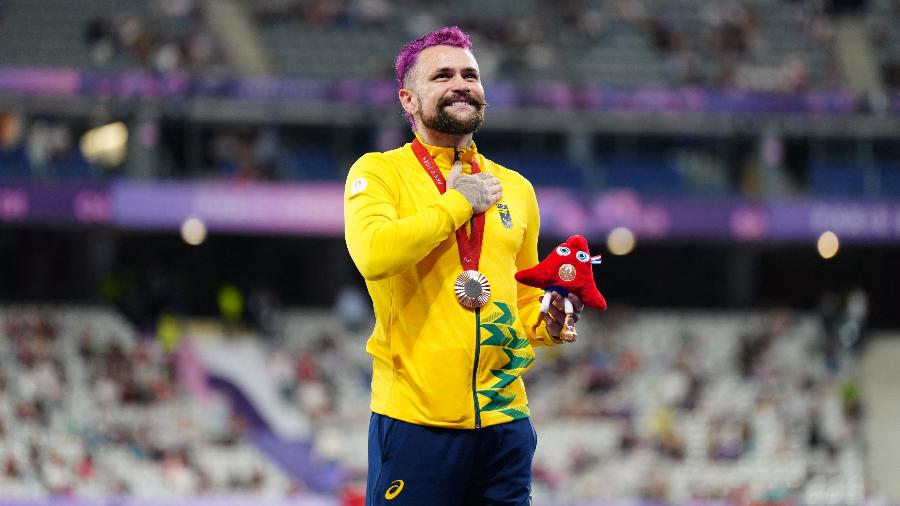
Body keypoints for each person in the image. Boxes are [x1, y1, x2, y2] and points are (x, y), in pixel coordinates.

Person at [343, 26, 584, 505]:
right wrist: (456, 205)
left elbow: (524, 298)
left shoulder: (516, 188)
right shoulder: (378, 173)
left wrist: (551, 321)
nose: (461, 83)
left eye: (470, 75)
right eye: (443, 75)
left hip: (505, 424)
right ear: (408, 99)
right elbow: (373, 253)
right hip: (415, 423)